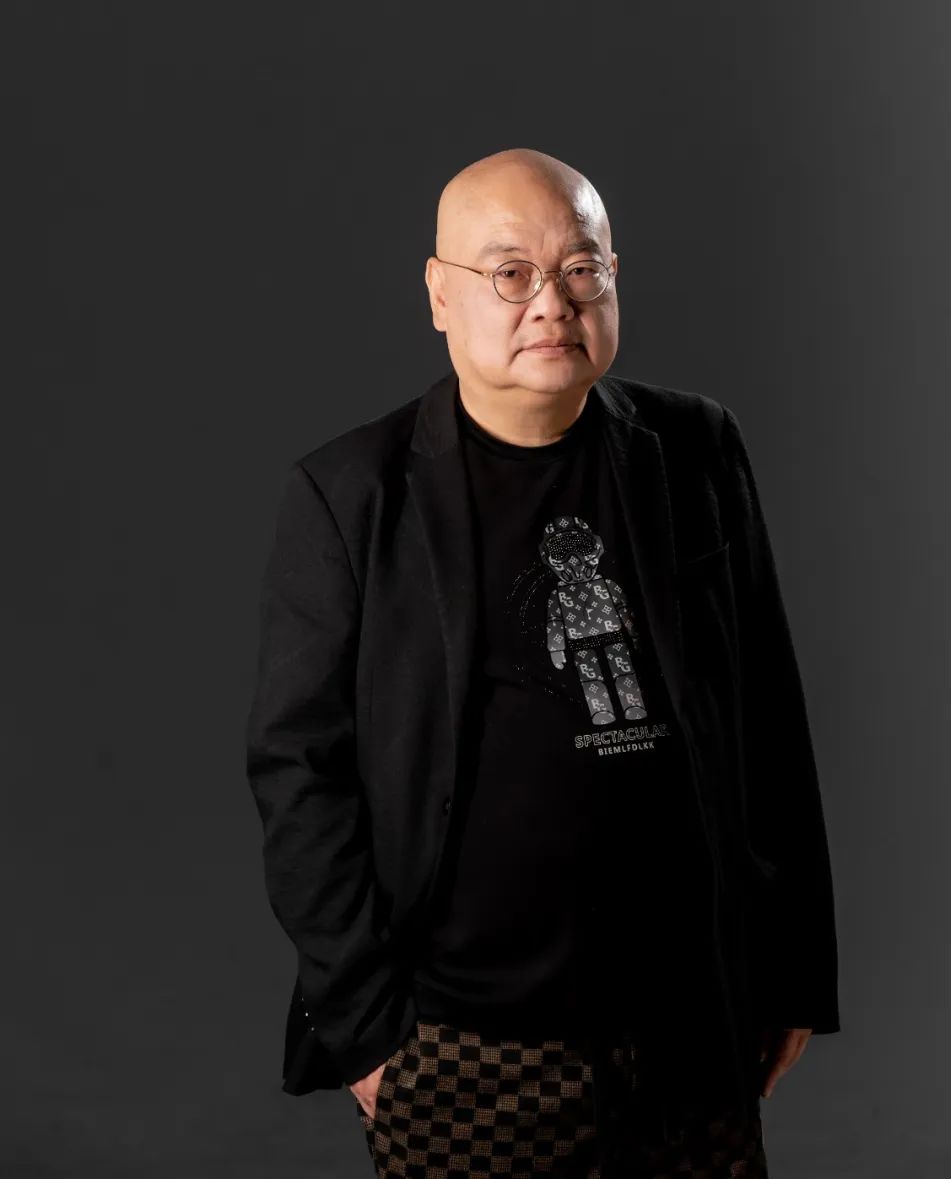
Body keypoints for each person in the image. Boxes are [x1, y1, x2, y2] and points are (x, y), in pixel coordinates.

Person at [244, 147, 840, 1178]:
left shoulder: (696, 450)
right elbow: (300, 773)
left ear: (614, 278)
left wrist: (789, 973)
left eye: (581, 269)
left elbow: (769, 718)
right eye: (511, 272)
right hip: (466, 1046)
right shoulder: (352, 497)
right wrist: (368, 1029)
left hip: (691, 1024)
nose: (551, 304)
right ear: (441, 295)